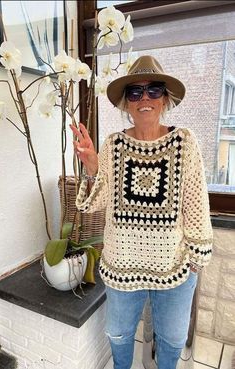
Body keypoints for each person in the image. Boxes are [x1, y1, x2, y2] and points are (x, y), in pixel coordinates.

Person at [70, 55, 213, 369]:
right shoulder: (113, 146)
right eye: (135, 92)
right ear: (125, 102)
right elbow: (93, 203)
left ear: (165, 98)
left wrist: (194, 260)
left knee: (172, 340)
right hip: (121, 267)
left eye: (153, 90)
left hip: (174, 269)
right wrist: (93, 167)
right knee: (119, 334)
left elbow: (196, 204)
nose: (144, 99)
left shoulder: (184, 143)